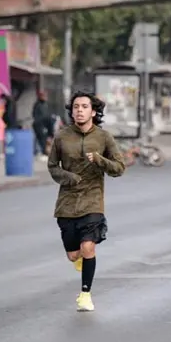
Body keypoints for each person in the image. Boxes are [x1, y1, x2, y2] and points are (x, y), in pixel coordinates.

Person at [47, 90, 126, 312]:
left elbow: (119, 168)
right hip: (67, 202)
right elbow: (52, 166)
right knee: (74, 253)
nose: (79, 111)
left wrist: (100, 160)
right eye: (76, 107)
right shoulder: (62, 136)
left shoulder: (103, 137)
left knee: (88, 246)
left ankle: (85, 294)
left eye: (84, 107)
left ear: (93, 111)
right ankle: (79, 259)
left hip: (93, 199)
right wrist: (68, 177)